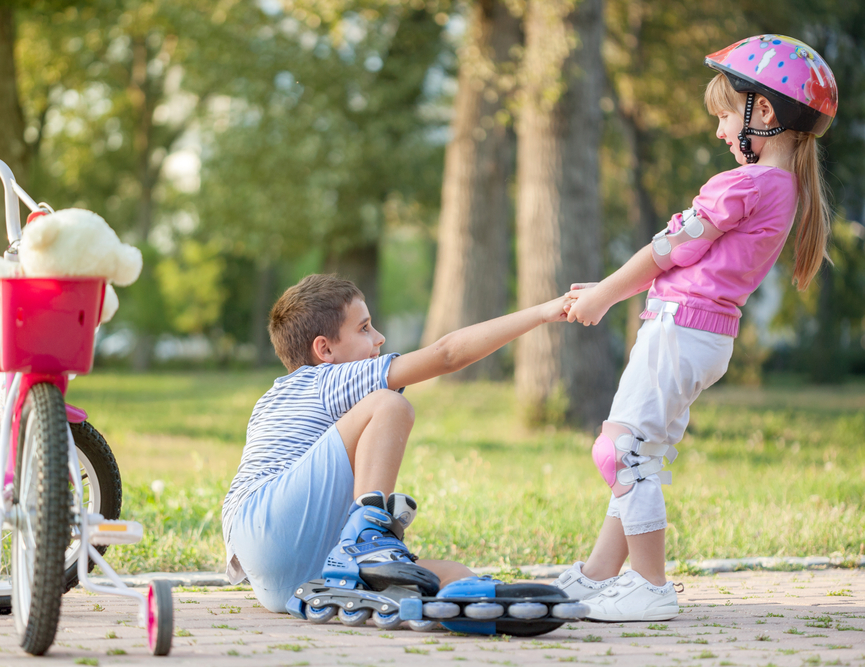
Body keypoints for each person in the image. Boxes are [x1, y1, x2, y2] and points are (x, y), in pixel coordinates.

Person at [556, 34, 838, 622]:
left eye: (726, 114)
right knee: (640, 450)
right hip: (700, 335)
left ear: (764, 113)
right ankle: (598, 575)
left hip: (679, 331)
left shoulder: (745, 184)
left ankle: (650, 586)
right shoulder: (782, 188)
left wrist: (605, 294)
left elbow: (666, 253)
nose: (718, 131)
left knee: (620, 449)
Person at [222, 273, 571, 612]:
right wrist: (543, 312)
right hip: (267, 521)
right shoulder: (324, 379)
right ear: (324, 349)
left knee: (449, 574)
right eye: (364, 328)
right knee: (388, 403)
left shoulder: (275, 397)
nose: (379, 337)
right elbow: (447, 354)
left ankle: (478, 603)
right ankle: (367, 540)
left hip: (278, 572)